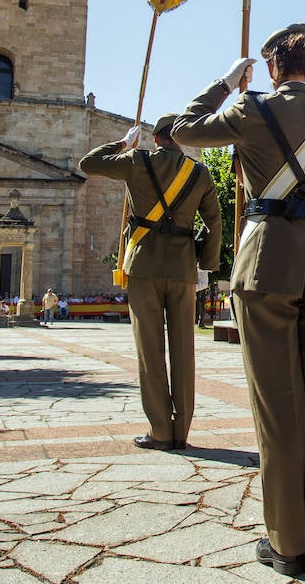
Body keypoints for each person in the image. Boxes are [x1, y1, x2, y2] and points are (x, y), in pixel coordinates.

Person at [171, 24, 305, 578]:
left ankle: (287, 543)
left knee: (279, 410)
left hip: (267, 267)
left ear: (269, 71)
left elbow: (181, 131)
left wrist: (223, 84)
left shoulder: (249, 110)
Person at [80, 112, 222, 452]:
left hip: (143, 266)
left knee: (151, 350)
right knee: (184, 350)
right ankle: (181, 430)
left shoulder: (136, 161)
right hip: (183, 268)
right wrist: (205, 262)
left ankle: (160, 430)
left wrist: (123, 143)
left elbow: (90, 163)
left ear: (156, 138)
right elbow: (214, 222)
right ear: (179, 139)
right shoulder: (200, 173)